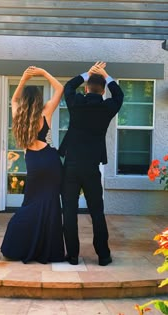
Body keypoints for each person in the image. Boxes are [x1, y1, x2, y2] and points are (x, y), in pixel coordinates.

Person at [59, 62, 124, 266]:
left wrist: (88, 73)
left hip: (71, 166)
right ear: (103, 90)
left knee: (69, 211)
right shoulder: (107, 108)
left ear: (86, 88)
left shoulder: (76, 102)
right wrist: (106, 75)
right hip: (91, 168)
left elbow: (68, 86)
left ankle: (72, 256)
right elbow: (120, 96)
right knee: (97, 211)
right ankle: (103, 256)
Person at [1, 66, 65, 264]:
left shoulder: (19, 116)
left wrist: (23, 78)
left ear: (24, 101)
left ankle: (17, 245)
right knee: (51, 205)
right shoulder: (45, 112)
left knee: (30, 204)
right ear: (37, 100)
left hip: (34, 162)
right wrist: (45, 73)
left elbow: (13, 99)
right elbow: (60, 88)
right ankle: (49, 251)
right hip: (51, 160)